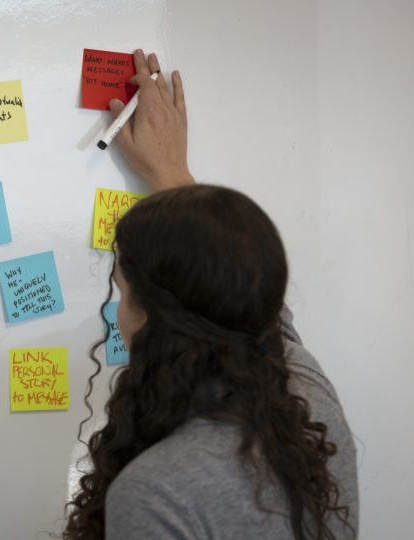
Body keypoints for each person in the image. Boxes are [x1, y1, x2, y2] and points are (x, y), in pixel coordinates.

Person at [63, 50, 359, 540]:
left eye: (124, 293)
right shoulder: (309, 406)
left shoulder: (156, 490)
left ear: (155, 317)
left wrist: (169, 173)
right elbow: (243, 293)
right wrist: (170, 172)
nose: (119, 315)